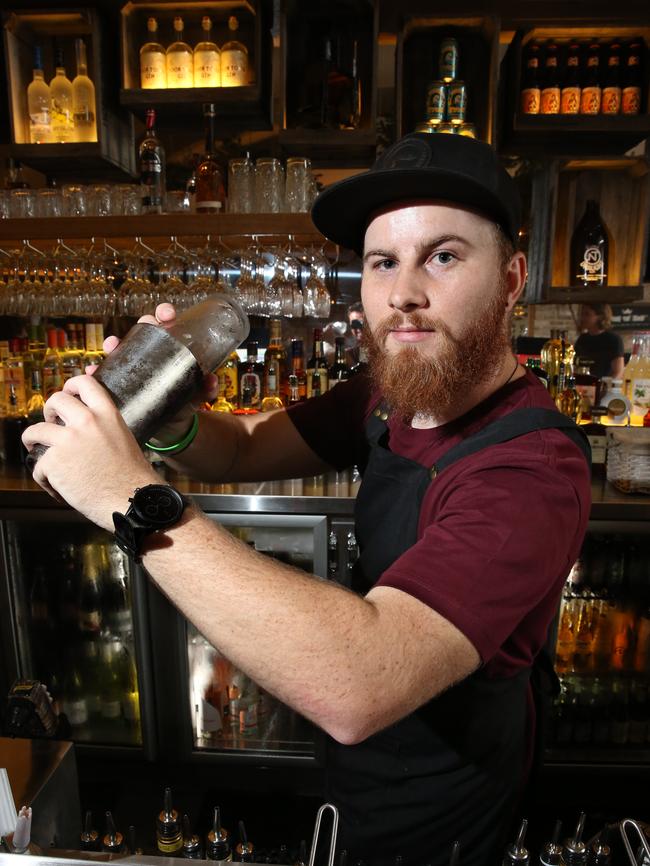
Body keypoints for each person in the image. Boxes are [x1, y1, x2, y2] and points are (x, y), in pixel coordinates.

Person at [23, 133, 592, 866]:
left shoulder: (530, 470)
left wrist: (128, 495)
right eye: (383, 262)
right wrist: (170, 419)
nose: (403, 293)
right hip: (357, 779)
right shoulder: (391, 396)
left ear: (512, 278)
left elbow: (359, 681)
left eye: (443, 257)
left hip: (441, 811)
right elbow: (247, 448)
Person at [574, 303, 624, 379]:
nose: (582, 318)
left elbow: (618, 372)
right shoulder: (582, 339)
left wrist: (603, 388)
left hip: (603, 387)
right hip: (583, 386)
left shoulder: (613, 339)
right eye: (582, 314)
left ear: (600, 317)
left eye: (587, 314)